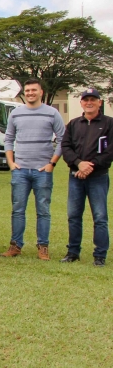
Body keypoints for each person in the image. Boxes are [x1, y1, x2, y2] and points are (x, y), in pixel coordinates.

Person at [2, 78, 65, 260]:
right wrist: (11, 163)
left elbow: (62, 139)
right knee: (18, 209)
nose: (30, 93)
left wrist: (52, 163)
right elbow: (8, 139)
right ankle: (15, 245)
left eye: (33, 90)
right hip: (20, 170)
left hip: (42, 171)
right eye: (27, 90)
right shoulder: (16, 113)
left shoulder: (52, 113)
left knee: (43, 210)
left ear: (41, 92)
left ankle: (43, 246)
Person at [60, 88, 113, 267]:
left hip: (98, 177)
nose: (89, 102)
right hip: (76, 176)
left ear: (99, 102)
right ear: (81, 103)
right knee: (74, 216)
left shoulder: (109, 124)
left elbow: (109, 151)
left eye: (93, 99)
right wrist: (78, 163)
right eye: (86, 100)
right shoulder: (74, 124)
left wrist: (90, 166)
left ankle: (100, 255)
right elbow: (66, 147)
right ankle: (73, 252)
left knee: (99, 217)